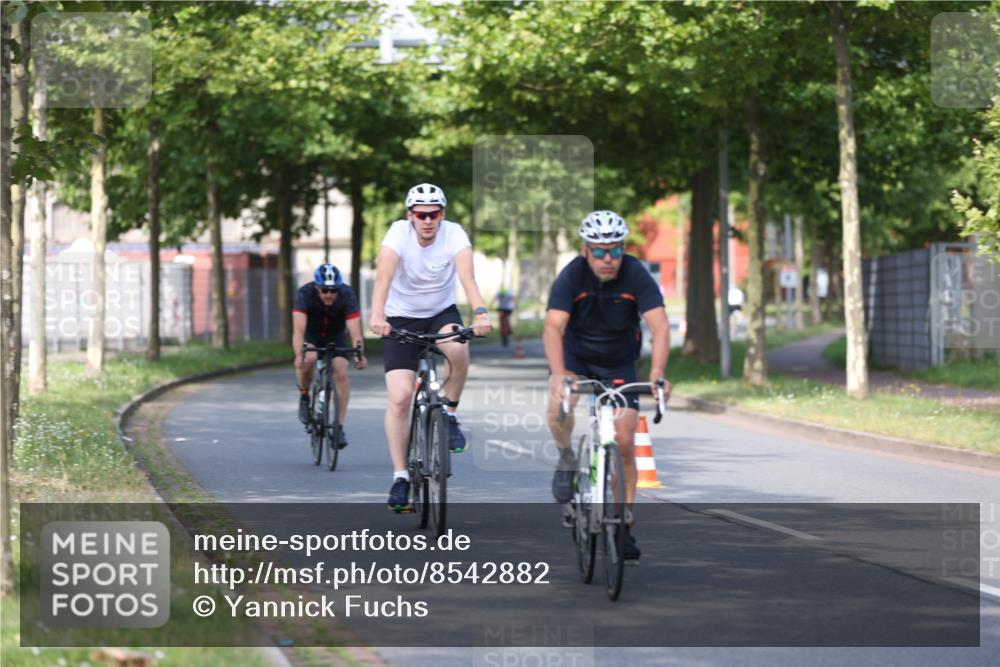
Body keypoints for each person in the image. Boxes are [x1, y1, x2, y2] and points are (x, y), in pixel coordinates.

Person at [543, 210, 672, 563]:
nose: (608, 259)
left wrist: (658, 372)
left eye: (615, 250)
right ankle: (568, 458)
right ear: (586, 250)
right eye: (599, 251)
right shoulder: (572, 275)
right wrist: (558, 373)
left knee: (626, 439)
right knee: (558, 406)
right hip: (577, 356)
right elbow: (554, 327)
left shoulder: (635, 273)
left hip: (619, 361)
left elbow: (660, 327)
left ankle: (623, 522)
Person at [369, 183, 493, 511]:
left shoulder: (454, 235)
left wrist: (480, 313)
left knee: (458, 351)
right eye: (420, 215)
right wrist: (377, 314)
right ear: (410, 216)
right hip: (400, 318)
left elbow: (467, 278)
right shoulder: (397, 234)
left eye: (433, 214)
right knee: (400, 397)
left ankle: (449, 414)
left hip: (441, 313)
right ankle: (400, 477)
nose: (427, 221)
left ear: (442, 215)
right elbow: (383, 277)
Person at [293, 263, 367, 448]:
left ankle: (339, 426)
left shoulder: (347, 294)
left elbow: (355, 329)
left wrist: (359, 353)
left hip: (336, 337)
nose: (329, 294)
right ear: (317, 287)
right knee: (307, 359)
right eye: (325, 290)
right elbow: (298, 330)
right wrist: (298, 354)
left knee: (340, 371)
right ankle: (304, 396)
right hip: (311, 336)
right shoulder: (304, 293)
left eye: (333, 291)